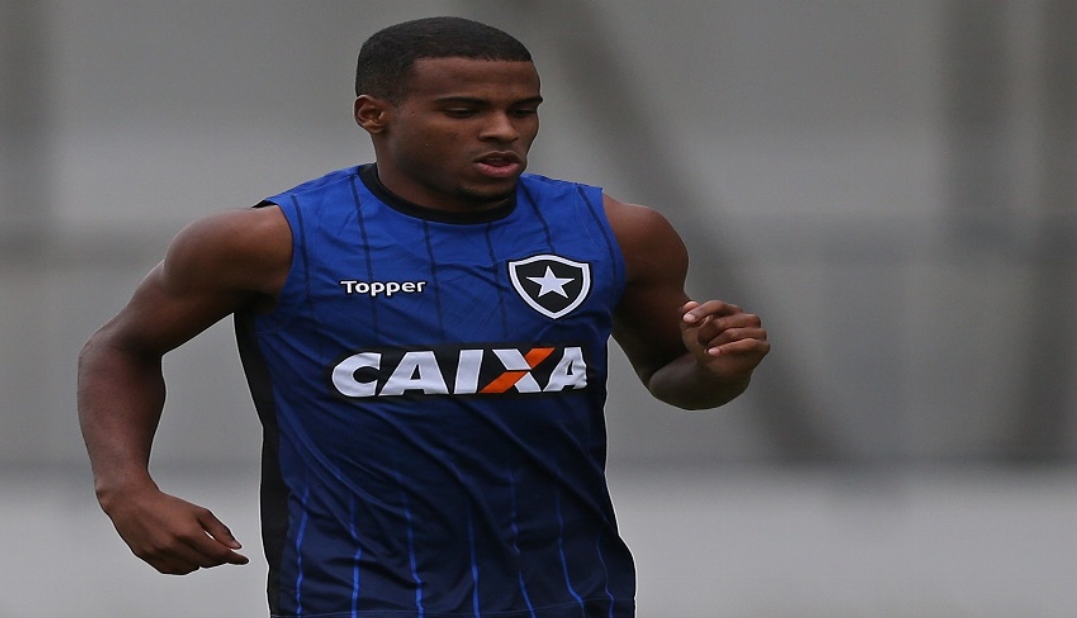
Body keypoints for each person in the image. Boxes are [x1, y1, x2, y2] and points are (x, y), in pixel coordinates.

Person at [78, 16, 768, 618]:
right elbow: (121, 348)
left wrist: (718, 369)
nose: (503, 131)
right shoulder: (267, 241)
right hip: (354, 594)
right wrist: (127, 490)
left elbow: (673, 375)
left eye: (524, 110)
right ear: (373, 114)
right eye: (464, 110)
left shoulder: (619, 234)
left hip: (565, 591)